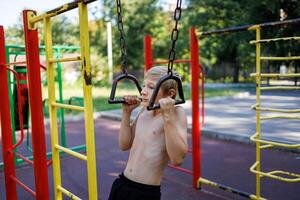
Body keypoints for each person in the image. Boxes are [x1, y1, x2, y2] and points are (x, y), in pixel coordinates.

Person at [108, 66, 188, 200]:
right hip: (122, 183)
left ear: (170, 94)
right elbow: (124, 144)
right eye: (144, 85)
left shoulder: (176, 113)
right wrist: (126, 113)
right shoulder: (145, 110)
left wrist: (167, 116)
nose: (143, 91)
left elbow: (177, 159)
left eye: (151, 87)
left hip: (144, 193)